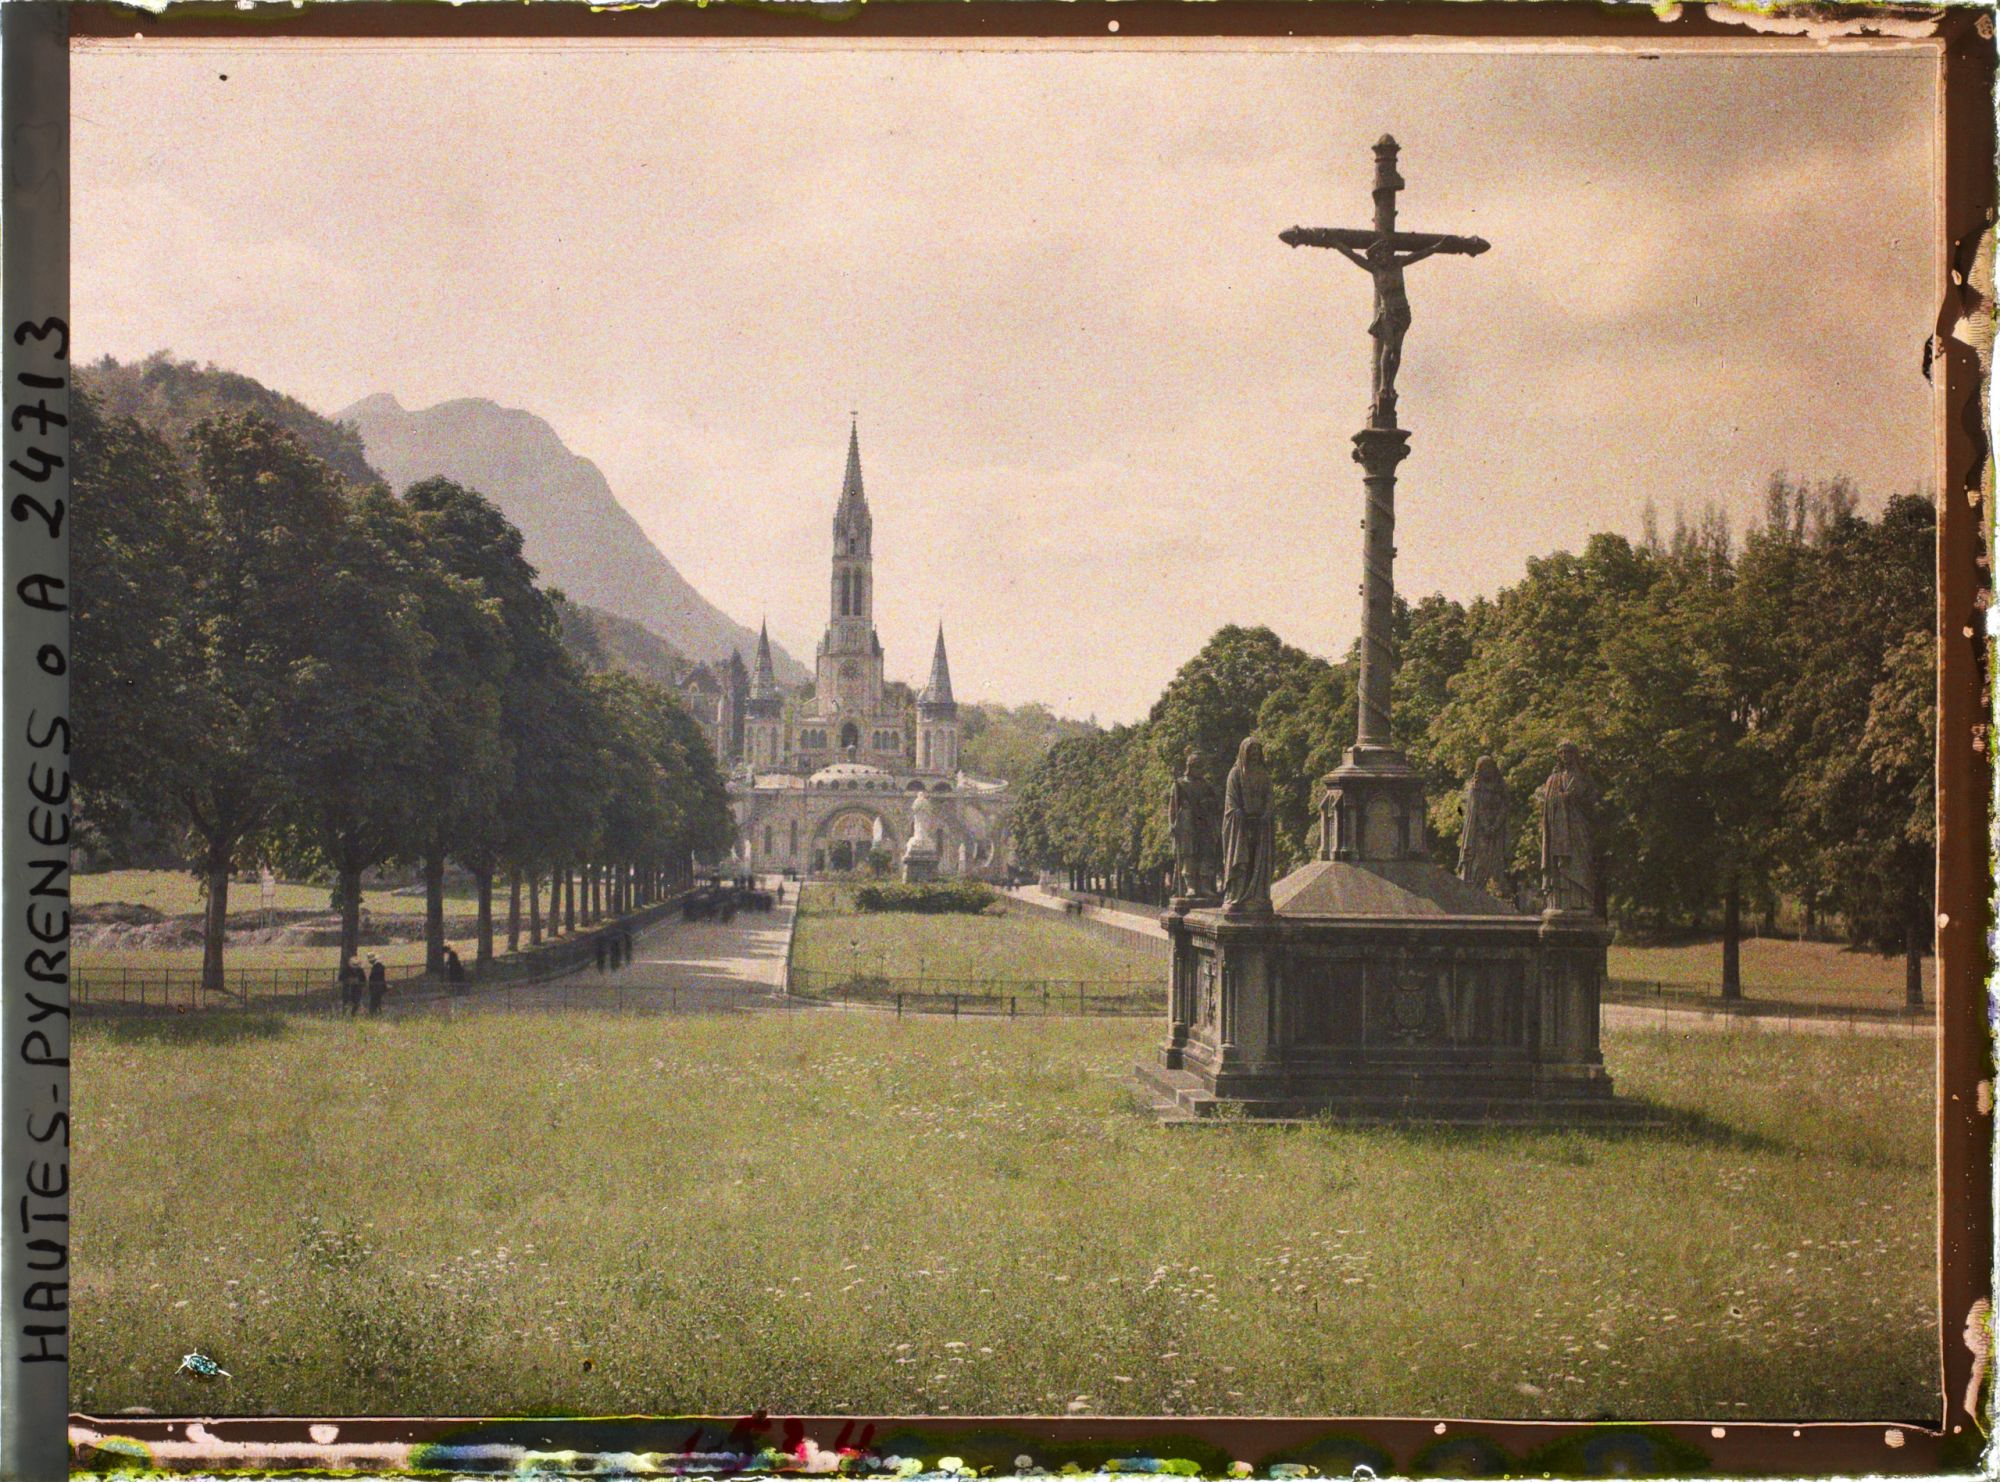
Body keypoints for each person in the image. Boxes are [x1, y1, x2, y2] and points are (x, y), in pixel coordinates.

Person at [1220, 735, 1276, 915]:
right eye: (1251, 751)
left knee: (1258, 860)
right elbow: (1231, 800)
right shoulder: (1235, 773)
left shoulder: (1264, 774)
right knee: (1241, 860)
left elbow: (1269, 797)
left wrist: (1266, 813)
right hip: (1241, 826)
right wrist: (1240, 815)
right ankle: (1237, 896)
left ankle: (1256, 896)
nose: (1254, 755)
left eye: (1257, 752)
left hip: (1260, 825)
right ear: (1244, 752)